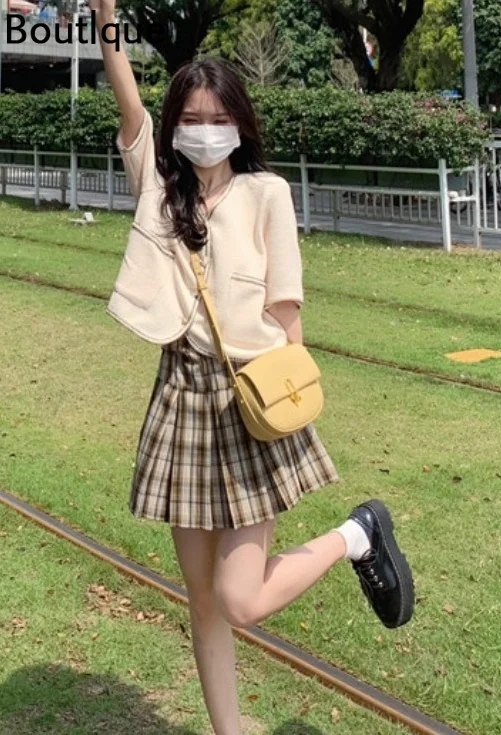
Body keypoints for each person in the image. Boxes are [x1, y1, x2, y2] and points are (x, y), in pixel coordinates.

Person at [92, 1, 415, 733]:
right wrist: (106, 14)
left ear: (239, 122)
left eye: (217, 117)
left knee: (240, 597)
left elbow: (286, 309)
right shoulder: (159, 187)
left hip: (250, 401)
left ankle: (357, 534)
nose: (204, 130)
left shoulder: (267, 193)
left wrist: (289, 399)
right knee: (202, 599)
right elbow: (126, 94)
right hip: (180, 400)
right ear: (174, 127)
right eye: (190, 118)